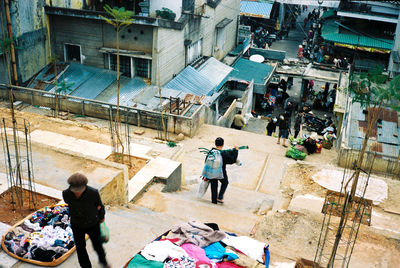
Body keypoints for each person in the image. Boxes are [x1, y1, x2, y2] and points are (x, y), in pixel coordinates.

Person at [63, 173, 110, 268]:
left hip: (92, 223)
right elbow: (68, 202)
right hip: (77, 224)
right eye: (75, 191)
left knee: (98, 245)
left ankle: (103, 262)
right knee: (80, 249)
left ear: (84, 186)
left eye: (79, 190)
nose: (77, 193)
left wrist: (101, 218)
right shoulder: (66, 193)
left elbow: (100, 206)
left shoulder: (93, 193)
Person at [209, 138, 238, 204]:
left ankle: (214, 201)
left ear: (215, 144)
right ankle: (220, 197)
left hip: (212, 172)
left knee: (214, 185)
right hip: (220, 172)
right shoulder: (224, 153)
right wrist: (236, 151)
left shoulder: (212, 152)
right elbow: (232, 160)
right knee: (225, 183)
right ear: (223, 144)